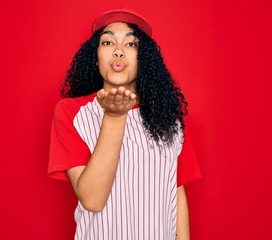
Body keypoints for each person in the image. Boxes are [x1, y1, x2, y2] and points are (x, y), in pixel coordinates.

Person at [48, 9, 201, 240]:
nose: (119, 51)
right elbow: (91, 199)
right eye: (108, 42)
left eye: (131, 45)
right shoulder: (71, 113)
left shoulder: (169, 120)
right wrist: (114, 116)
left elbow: (176, 195)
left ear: (145, 59)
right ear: (95, 55)